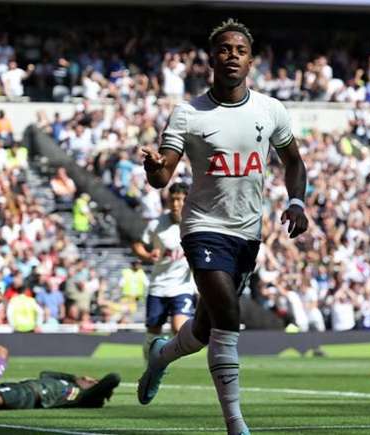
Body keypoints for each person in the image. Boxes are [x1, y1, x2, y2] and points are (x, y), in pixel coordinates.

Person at [137, 19, 309, 435]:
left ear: (251, 60)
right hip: (202, 227)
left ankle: (161, 356)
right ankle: (236, 423)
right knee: (229, 316)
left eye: (239, 50)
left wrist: (298, 201)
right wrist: (155, 170)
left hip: (247, 233)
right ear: (211, 58)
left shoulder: (270, 111)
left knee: (204, 327)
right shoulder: (188, 114)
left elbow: (295, 162)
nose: (231, 56)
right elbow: (164, 177)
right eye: (224, 49)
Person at [131, 182, 196, 359]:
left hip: (182, 286)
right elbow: (138, 245)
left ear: (187, 201)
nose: (175, 204)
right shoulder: (156, 225)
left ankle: (164, 356)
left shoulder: (195, 224)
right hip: (159, 285)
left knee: (179, 328)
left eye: (180, 200)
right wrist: (147, 256)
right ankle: (150, 367)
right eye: (172, 200)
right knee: (153, 332)